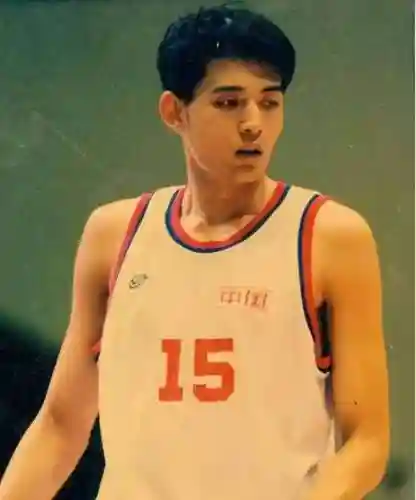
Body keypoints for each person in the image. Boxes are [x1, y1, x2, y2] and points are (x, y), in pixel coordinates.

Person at [0, 4, 389, 500]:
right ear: (174, 112)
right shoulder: (114, 234)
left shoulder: (329, 236)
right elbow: (60, 425)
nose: (253, 124)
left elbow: (366, 441)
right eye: (229, 103)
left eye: (269, 102)